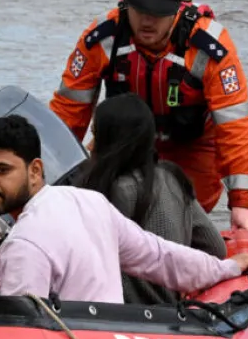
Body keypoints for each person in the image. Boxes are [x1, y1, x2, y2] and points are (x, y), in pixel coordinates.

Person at [49, 0, 248, 234]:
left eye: (158, 13)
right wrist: (46, 180)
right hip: (121, 143)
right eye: (139, 10)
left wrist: (241, 205)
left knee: (171, 216)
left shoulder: (209, 47)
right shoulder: (101, 38)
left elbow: (235, 126)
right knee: (99, 204)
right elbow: (67, 114)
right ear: (126, 4)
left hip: (191, 148)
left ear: (175, 10)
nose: (147, 21)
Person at [0, 115, 248, 302]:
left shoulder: (23, 245)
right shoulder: (88, 202)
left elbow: (18, 336)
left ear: (36, 170)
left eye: (1, 171)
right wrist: (226, 267)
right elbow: (160, 258)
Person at [76, 94, 228, 306]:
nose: (90, 146)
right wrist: (190, 280)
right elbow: (216, 247)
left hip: (127, 316)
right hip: (173, 312)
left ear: (112, 141)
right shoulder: (174, 177)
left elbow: (84, 260)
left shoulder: (117, 190)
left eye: (95, 135)